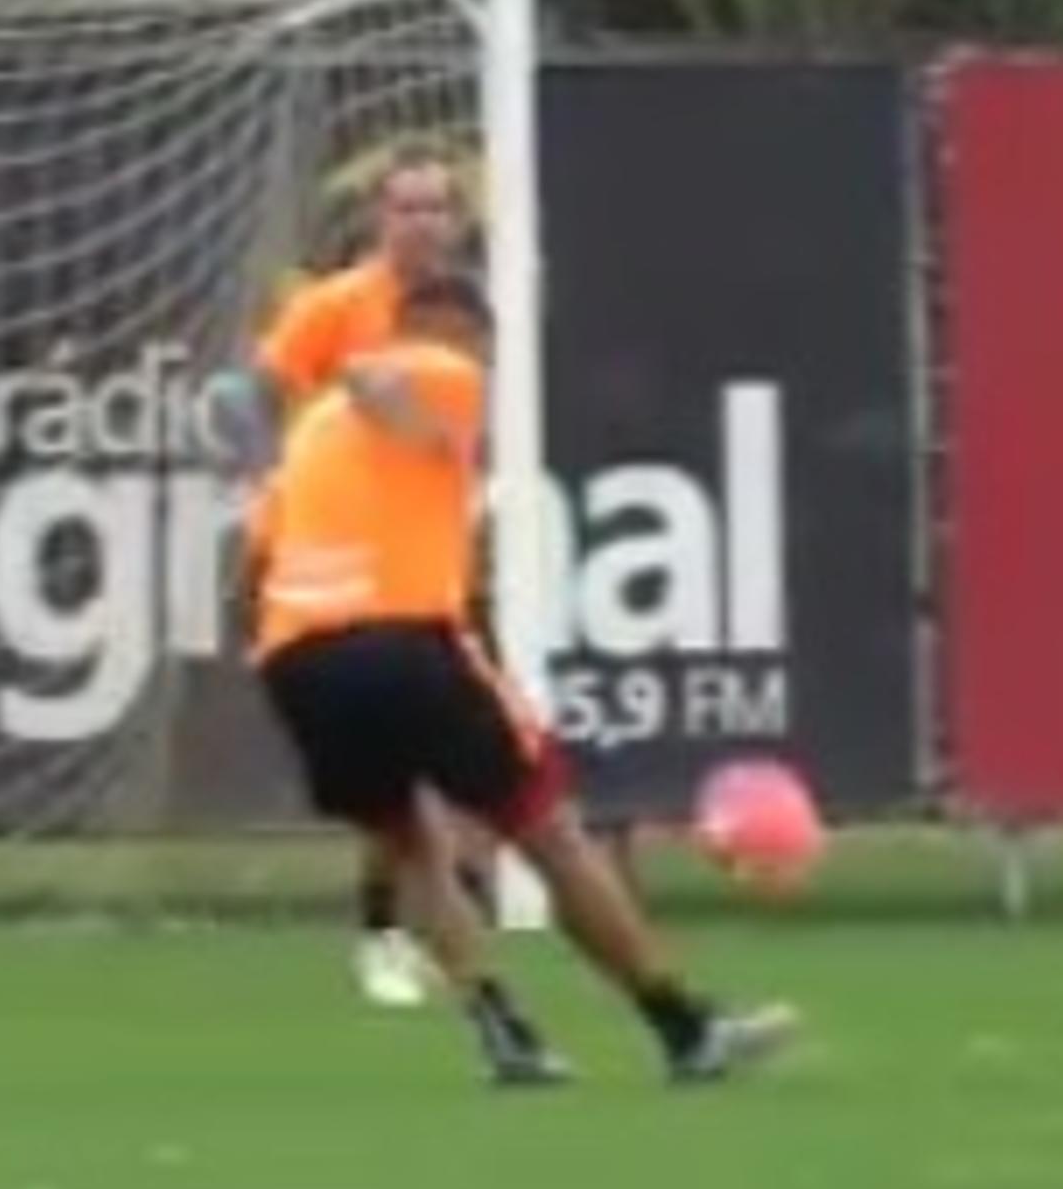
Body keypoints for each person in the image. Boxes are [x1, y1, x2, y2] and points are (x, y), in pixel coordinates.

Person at [250, 271, 794, 1087]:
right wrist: (381, 383)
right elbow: (378, 377)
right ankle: (683, 1028)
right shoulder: (441, 370)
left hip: (295, 660)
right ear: (460, 334)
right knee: (549, 833)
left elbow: (256, 556)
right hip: (400, 639)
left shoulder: (309, 434)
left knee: (412, 849)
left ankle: (503, 1032)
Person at [221, 147, 500, 1010]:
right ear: (379, 220)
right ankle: (388, 931)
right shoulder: (337, 306)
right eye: (404, 208)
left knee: (481, 761)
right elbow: (242, 397)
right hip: (346, 574)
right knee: (402, 770)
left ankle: (436, 924)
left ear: (458, 222)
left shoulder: (462, 314)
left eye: (436, 209)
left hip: (433, 555)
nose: (421, 224)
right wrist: (272, 481)